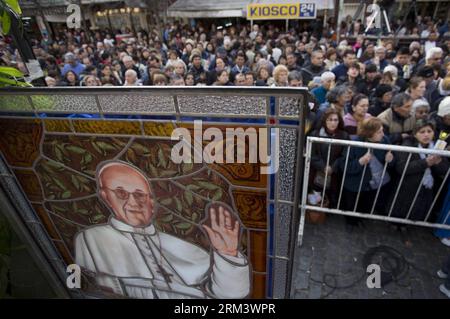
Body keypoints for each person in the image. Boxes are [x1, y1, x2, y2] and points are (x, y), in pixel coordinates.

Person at [75, 161, 250, 299]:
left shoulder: (179, 246)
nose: (133, 202)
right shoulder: (92, 239)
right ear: (106, 197)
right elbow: (83, 289)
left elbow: (231, 298)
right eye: (121, 193)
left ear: (152, 202)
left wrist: (228, 254)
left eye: (139, 194)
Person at [391, 120, 449, 221]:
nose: (426, 135)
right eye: (422, 132)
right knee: (401, 210)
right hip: (407, 186)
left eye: (429, 131)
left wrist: (438, 163)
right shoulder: (408, 145)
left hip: (426, 187)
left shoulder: (437, 146)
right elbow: (402, 167)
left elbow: (444, 170)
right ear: (415, 134)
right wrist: (425, 162)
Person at [340, 118, 394, 226]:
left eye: (382, 130)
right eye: (379, 132)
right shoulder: (355, 143)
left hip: (372, 184)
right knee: (351, 206)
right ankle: (351, 222)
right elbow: (344, 166)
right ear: (369, 133)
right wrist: (360, 162)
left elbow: (391, 161)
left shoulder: (385, 140)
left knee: (365, 205)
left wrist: (390, 160)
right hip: (354, 184)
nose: (383, 134)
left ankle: (361, 219)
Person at [310, 108, 349, 207]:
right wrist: (323, 166)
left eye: (335, 120)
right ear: (324, 121)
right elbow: (312, 155)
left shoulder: (344, 135)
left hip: (335, 172)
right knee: (316, 192)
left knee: (332, 192)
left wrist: (333, 167)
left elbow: (344, 155)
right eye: (330, 120)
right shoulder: (315, 134)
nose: (333, 123)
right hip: (317, 172)